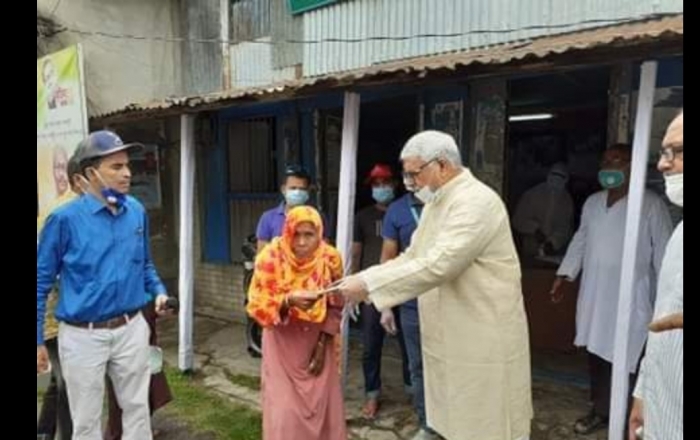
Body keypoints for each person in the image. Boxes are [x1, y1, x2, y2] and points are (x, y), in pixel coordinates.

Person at [335, 130, 533, 440]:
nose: (411, 183)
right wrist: (364, 281)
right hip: (449, 333)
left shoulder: (475, 201)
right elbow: (413, 255)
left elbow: (439, 263)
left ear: (441, 165)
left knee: (486, 419)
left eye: (415, 173)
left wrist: (367, 284)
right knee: (450, 411)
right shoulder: (436, 205)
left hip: (482, 334)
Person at [37, 130, 170, 440]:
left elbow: (146, 264)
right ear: (89, 174)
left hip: (131, 329)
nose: (127, 173)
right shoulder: (63, 220)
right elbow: (40, 281)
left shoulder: (135, 211)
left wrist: (160, 292)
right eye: (116, 167)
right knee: (86, 422)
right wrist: (38, 340)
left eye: (127, 165)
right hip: (83, 336)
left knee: (137, 412)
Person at [550, 144, 673, 435]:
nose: (610, 166)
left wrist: (667, 298)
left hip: (632, 297)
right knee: (597, 355)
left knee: (628, 359)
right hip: (595, 294)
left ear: (632, 166)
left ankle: (630, 417)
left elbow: (665, 253)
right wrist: (565, 274)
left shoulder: (650, 204)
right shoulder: (593, 202)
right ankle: (601, 411)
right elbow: (581, 240)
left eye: (617, 160)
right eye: (606, 160)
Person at [246, 206, 347, 440]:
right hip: (282, 342)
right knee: (284, 413)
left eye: (309, 235)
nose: (301, 242)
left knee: (323, 407)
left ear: (319, 234)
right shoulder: (270, 258)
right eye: (296, 234)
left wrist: (323, 345)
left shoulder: (330, 258)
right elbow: (256, 304)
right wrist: (286, 301)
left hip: (319, 340)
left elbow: (337, 303)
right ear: (287, 231)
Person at [629, 111, 683, 440]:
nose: (663, 164)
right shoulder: (681, 235)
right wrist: (642, 395)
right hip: (663, 417)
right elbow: (662, 323)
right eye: (663, 153)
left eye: (676, 151)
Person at [379, 178, 440, 439]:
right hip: (412, 305)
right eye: (406, 173)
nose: (411, 179)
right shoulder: (397, 210)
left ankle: (455, 422)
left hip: (448, 304)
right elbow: (388, 260)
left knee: (450, 365)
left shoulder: (449, 204)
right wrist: (386, 305)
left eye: (416, 171)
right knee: (417, 367)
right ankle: (428, 424)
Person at [352, 163, 411, 419]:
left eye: (385, 183)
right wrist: (355, 286)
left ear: (395, 184)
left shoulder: (406, 212)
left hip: (404, 287)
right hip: (372, 290)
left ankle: (413, 391)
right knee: (370, 346)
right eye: (376, 184)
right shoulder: (362, 217)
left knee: (409, 344)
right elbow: (356, 252)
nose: (381, 188)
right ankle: (372, 394)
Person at [36, 147, 85, 440]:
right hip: (59, 316)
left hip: (66, 315)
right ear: (82, 178)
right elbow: (46, 273)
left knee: (60, 380)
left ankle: (42, 431)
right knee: (70, 384)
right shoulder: (61, 215)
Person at [104, 299, 173, 440]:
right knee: (121, 388)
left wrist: (161, 306)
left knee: (150, 383)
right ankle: (116, 433)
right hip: (121, 331)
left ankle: (142, 427)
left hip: (144, 332)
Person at [256, 165, 330, 252]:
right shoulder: (268, 218)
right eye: (293, 188)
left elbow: (325, 251)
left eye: (302, 189)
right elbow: (262, 254)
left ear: (308, 192)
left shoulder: (318, 217)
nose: (297, 192)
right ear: (283, 189)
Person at [512, 163, 575, 258]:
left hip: (553, 251)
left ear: (566, 180)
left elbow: (565, 228)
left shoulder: (567, 201)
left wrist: (553, 242)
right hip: (530, 247)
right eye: (554, 175)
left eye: (560, 177)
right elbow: (517, 220)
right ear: (548, 175)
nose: (556, 180)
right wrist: (535, 229)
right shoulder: (532, 194)